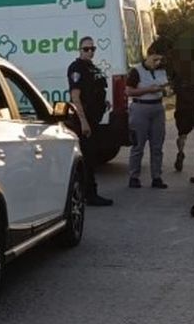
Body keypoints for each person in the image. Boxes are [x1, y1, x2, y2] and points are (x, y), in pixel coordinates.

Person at [65, 36, 114, 206]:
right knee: (87, 159)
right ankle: (89, 194)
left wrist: (103, 102)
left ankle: (89, 193)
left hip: (94, 119)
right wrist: (83, 122)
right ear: (79, 50)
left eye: (92, 49)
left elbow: (96, 90)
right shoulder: (77, 68)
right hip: (84, 121)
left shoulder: (92, 67)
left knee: (91, 156)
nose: (90, 52)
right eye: (86, 49)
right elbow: (76, 97)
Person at [125, 45, 169, 188]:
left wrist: (166, 90)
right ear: (149, 55)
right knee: (138, 144)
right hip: (140, 107)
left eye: (160, 60)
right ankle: (134, 176)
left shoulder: (162, 70)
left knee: (157, 145)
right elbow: (129, 91)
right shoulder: (136, 71)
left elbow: (166, 87)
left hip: (157, 107)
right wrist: (148, 90)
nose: (157, 63)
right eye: (155, 59)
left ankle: (157, 177)